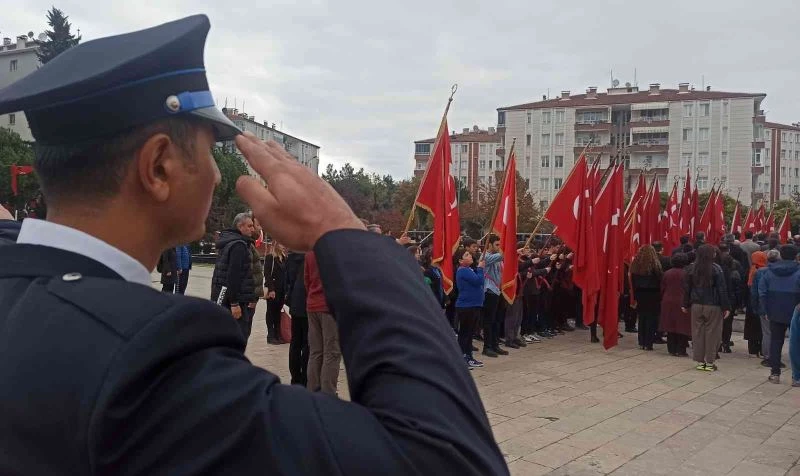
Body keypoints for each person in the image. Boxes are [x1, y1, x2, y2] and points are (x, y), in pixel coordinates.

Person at [0, 15, 508, 474]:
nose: (220, 172)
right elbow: (448, 459)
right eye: (209, 149)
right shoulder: (147, 360)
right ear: (159, 167)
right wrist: (346, 235)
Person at [211, 213, 257, 346]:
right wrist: (234, 303)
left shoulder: (228, 241)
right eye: (249, 226)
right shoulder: (238, 245)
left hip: (222, 295)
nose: (252, 229)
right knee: (237, 338)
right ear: (240, 226)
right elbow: (233, 275)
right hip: (233, 299)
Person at [682, 245, 731, 371]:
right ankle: (709, 362)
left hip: (696, 305)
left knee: (697, 333)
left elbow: (687, 288)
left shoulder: (691, 268)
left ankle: (699, 361)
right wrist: (726, 306)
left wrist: (685, 304)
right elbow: (722, 289)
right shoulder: (716, 269)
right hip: (713, 305)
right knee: (712, 333)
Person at [758, 244, 800, 384]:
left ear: (781, 255)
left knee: (775, 342)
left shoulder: (768, 272)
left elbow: (762, 292)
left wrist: (765, 310)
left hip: (774, 311)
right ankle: (796, 377)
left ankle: (775, 373)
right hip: (796, 311)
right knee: (796, 344)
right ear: (796, 256)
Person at [304, 249, 341, 395]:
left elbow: (306, 280)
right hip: (330, 306)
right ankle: (328, 393)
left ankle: (313, 389)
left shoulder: (310, 252)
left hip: (312, 304)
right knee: (332, 352)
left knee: (316, 351)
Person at [629, 245, 663, 351]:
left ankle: (641, 341)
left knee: (642, 318)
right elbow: (660, 279)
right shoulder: (655, 266)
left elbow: (633, 282)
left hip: (640, 294)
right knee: (651, 319)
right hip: (653, 295)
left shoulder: (635, 265)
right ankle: (648, 343)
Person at [456, 250, 485, 368]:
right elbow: (479, 281)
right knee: (465, 333)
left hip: (473, 305)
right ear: (460, 261)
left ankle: (469, 356)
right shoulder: (463, 270)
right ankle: (462, 357)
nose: (470, 256)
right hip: (466, 306)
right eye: (466, 255)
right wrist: (480, 268)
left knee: (469, 333)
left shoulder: (469, 270)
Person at [285, 251, 309, 386]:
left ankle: (295, 378)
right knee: (307, 344)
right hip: (308, 303)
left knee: (295, 343)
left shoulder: (291, 257)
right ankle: (305, 378)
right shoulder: (312, 256)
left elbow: (287, 280)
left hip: (295, 302)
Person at [660, 253, 690, 356]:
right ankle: (681, 350)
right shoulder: (687, 274)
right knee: (682, 326)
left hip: (668, 300)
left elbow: (662, 288)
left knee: (670, 325)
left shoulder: (667, 273)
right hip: (682, 301)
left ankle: (671, 349)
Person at [264, 242, 288, 344]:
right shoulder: (270, 257)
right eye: (281, 243)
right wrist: (271, 289)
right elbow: (267, 274)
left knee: (278, 312)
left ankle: (278, 334)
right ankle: (270, 335)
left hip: (282, 289)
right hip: (273, 289)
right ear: (276, 245)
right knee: (271, 311)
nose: (283, 245)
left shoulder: (284, 257)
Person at [744, 251, 767, 358]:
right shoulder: (764, 271)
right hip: (759, 302)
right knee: (761, 329)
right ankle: (762, 349)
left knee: (752, 327)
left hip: (751, 303)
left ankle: (753, 350)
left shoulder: (751, 270)